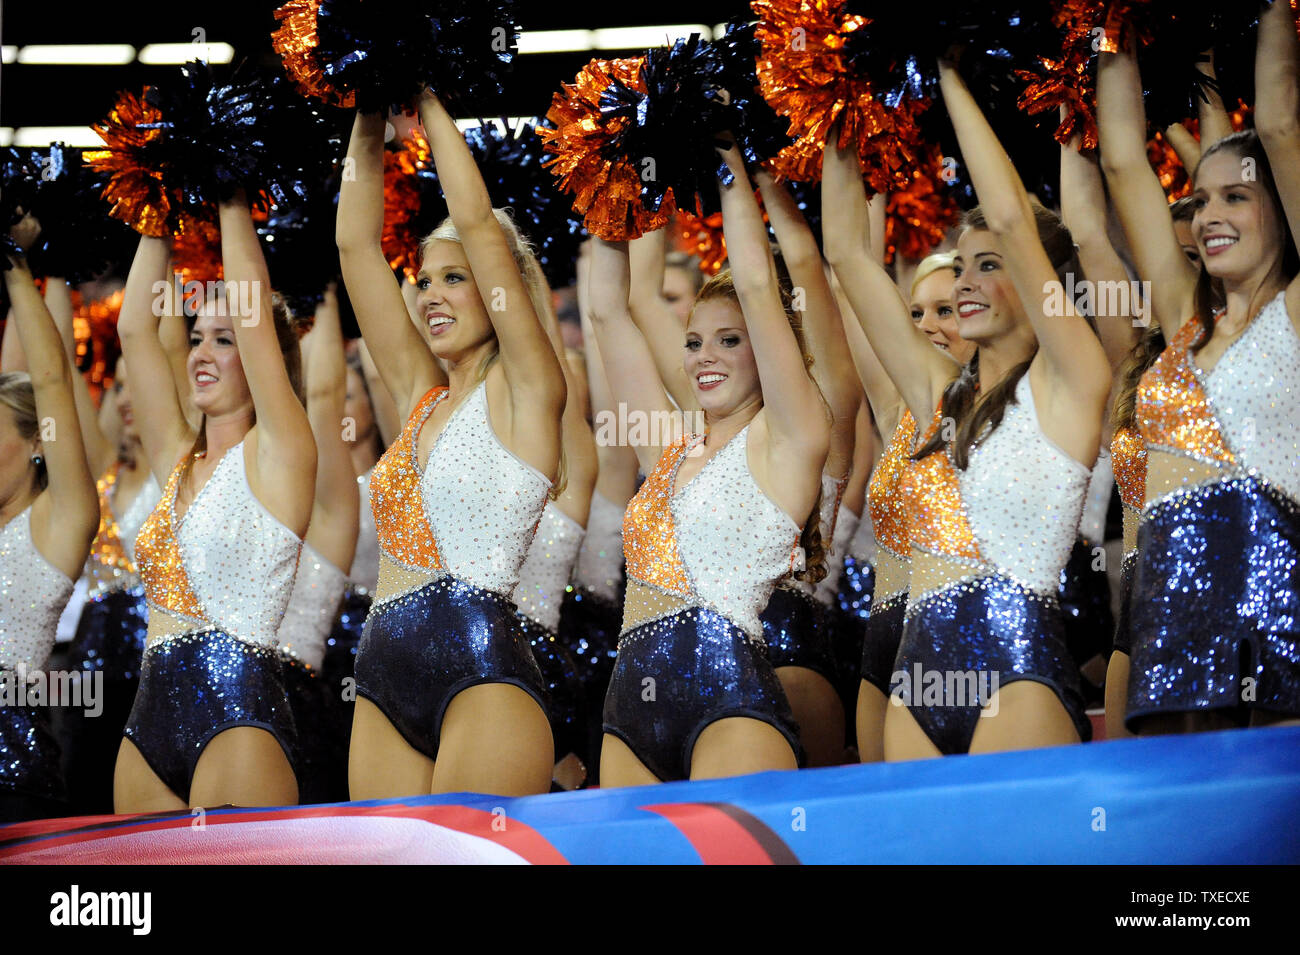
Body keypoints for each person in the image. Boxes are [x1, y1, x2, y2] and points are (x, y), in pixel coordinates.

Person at [827, 53, 1110, 758]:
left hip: (1018, 668)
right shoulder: (936, 393)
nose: (965, 283)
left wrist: (946, 65)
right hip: (917, 677)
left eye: (989, 265)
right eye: (961, 266)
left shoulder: (1071, 381)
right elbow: (848, 255)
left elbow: (1014, 219)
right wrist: (837, 95)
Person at [339, 91, 566, 798]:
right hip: (380, 674)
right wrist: (369, 98)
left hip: (485, 673)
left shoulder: (528, 387)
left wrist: (429, 97)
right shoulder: (420, 394)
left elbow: (477, 220)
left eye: (455, 278)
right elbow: (353, 244)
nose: (432, 295)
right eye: (426, 280)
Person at [590, 142, 831, 786]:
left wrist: (725, 152)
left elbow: (755, 283)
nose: (703, 357)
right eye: (694, 342)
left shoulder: (791, 437)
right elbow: (610, 310)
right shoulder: (668, 442)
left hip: (731, 700)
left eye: (730, 340)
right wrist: (613, 181)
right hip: (628, 709)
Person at [1100, 4, 1300, 733]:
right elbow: (1121, 157)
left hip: (1272, 609)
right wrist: (1099, 21)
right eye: (1199, 200)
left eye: (1236, 196)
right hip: (1163, 620)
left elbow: (1277, 125)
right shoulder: (1185, 317)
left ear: (1282, 208)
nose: (1208, 215)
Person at [114, 195, 317, 812]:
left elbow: (253, 308)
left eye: (223, 341)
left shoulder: (282, 451)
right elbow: (133, 329)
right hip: (147, 724)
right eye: (197, 338)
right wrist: (155, 196)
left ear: (263, 361)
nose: (200, 354)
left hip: (238, 716)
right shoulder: (176, 456)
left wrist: (232, 188)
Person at [0, 218, 100, 822]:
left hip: (12, 779)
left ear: (37, 440)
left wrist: (14, 262)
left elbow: (51, 380)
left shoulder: (56, 522)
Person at [276, 285, 358, 803]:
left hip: (295, 714)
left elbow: (323, 398)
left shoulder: (329, 513)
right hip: (178, 707)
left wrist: (321, 279)